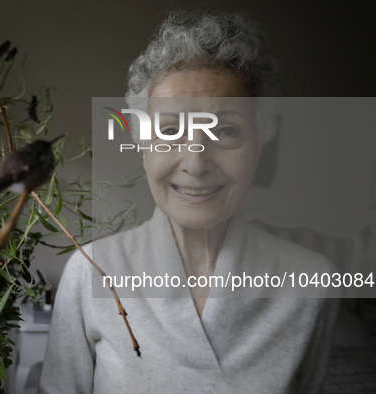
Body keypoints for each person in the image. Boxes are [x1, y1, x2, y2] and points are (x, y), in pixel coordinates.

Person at [39, 10, 339, 394]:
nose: (196, 163)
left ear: (260, 147)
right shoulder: (91, 273)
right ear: (143, 148)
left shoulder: (312, 287)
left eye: (227, 129)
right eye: (169, 130)